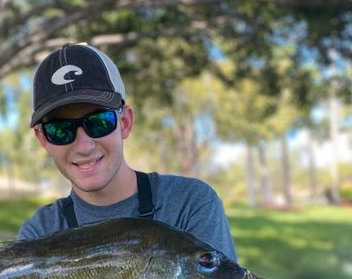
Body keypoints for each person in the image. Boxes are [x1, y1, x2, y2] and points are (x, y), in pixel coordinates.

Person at [16, 42, 237, 261]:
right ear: (43, 138)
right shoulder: (38, 235)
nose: (83, 146)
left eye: (99, 122)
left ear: (125, 122)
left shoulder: (189, 205)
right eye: (60, 130)